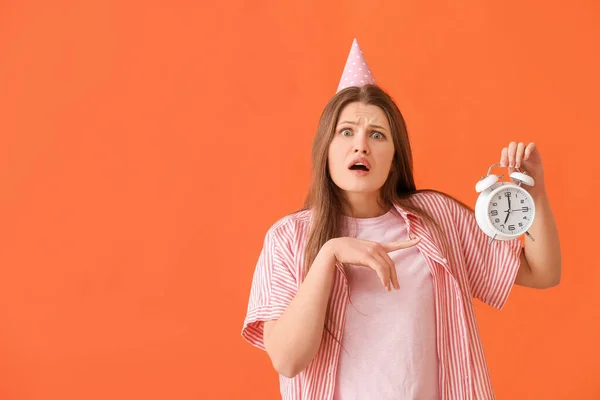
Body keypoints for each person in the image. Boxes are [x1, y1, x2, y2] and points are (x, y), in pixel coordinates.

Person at [240, 39, 561, 400]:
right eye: (346, 132)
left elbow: (543, 272)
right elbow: (287, 359)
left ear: (393, 157)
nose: (361, 145)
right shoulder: (288, 238)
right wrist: (329, 254)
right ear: (326, 150)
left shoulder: (437, 218)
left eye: (377, 135)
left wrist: (534, 193)